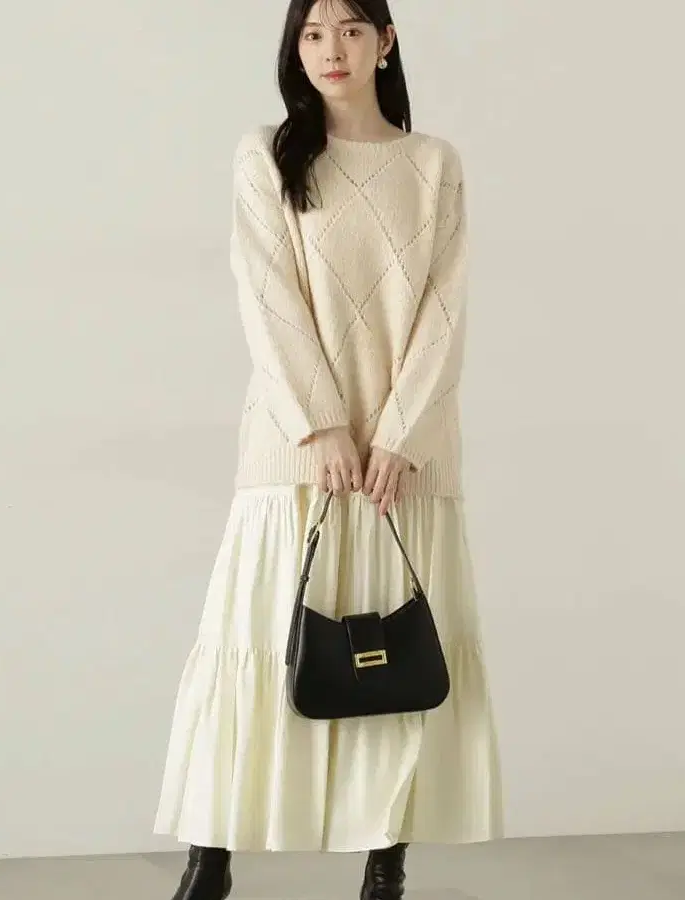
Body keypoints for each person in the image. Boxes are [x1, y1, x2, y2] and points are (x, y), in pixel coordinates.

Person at [153, 0, 503, 897]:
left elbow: (447, 311)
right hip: (294, 454)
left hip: (403, 466)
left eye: (349, 30)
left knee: (399, 660)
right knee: (257, 644)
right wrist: (321, 424)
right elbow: (265, 296)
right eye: (311, 34)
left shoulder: (435, 165)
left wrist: (398, 436)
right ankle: (209, 864)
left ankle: (385, 868)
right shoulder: (268, 156)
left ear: (386, 41)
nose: (330, 50)